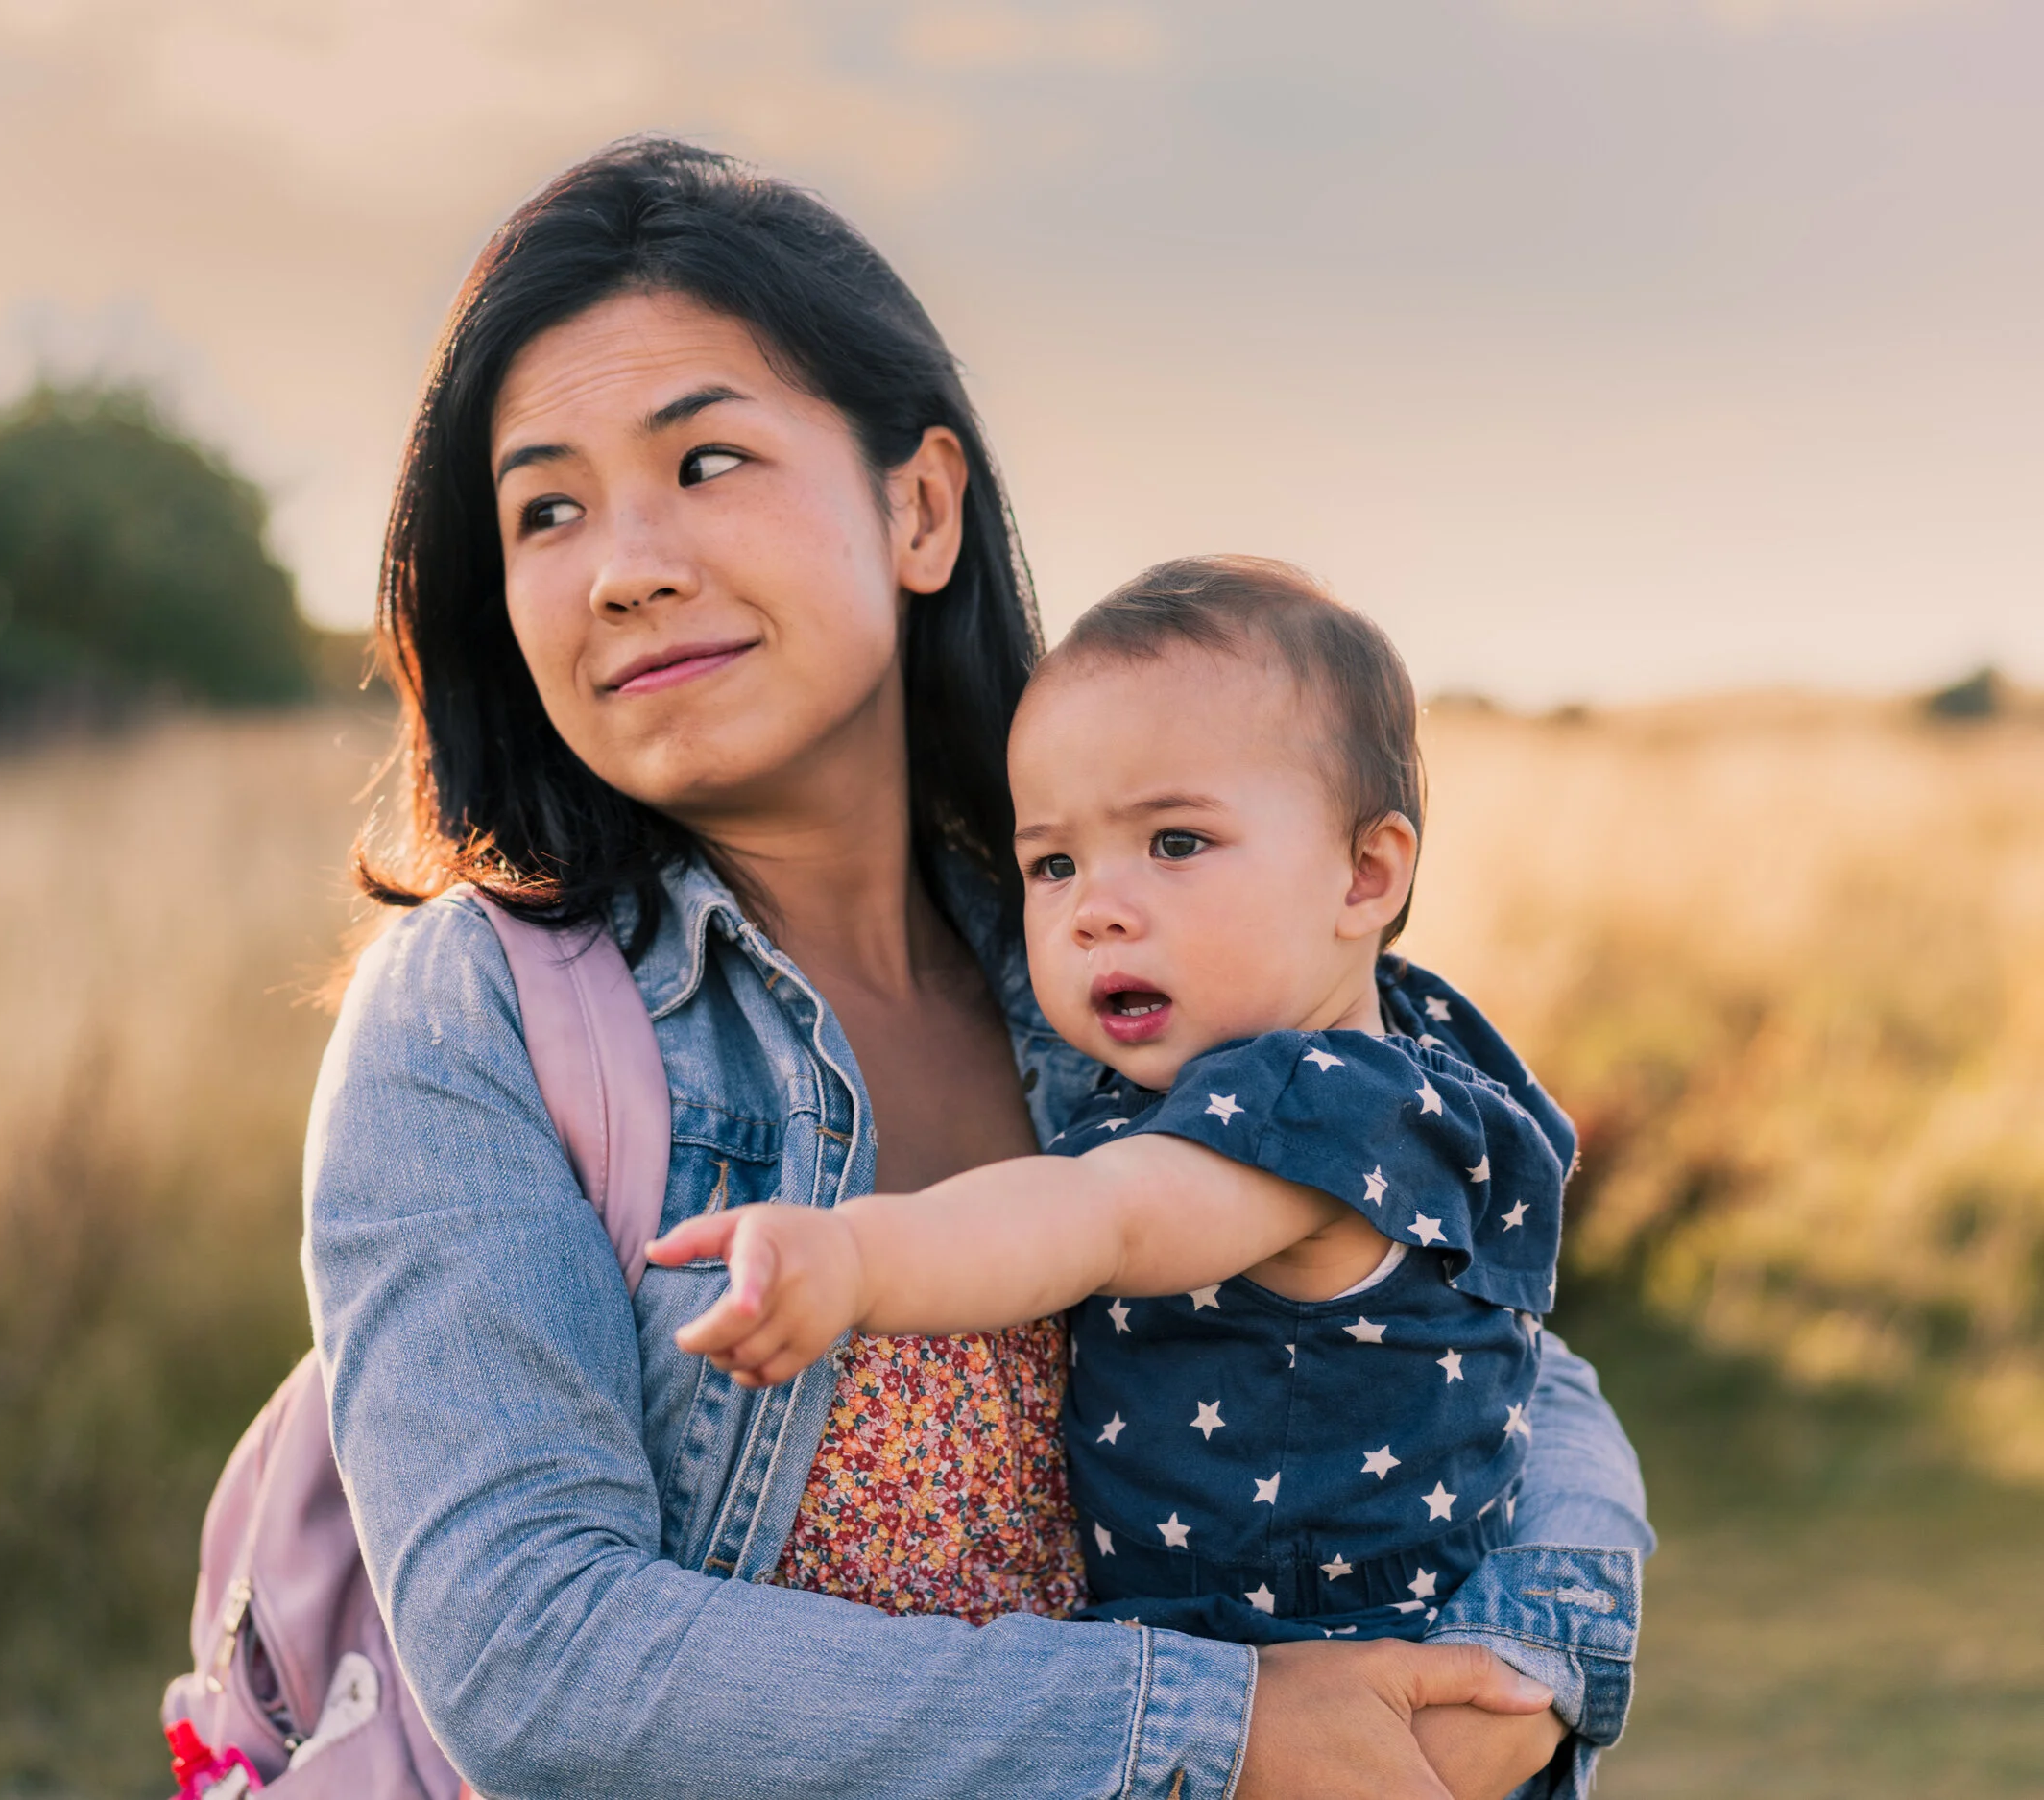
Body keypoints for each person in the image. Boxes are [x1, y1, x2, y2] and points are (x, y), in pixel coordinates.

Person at [305, 136, 1648, 1800]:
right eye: (548, 509)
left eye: (706, 462)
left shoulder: (1109, 944)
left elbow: (1473, 1323)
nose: (623, 566)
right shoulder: (479, 1016)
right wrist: (1225, 1734)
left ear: (920, 506)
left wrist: (1534, 1659)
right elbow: (538, 1657)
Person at [651, 555, 1575, 1650]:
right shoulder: (1403, 1037)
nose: (1096, 910)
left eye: (1174, 843)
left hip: (1306, 1686)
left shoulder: (1318, 1104)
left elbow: (1102, 1216)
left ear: (1364, 876)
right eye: (1051, 864)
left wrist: (856, 1259)